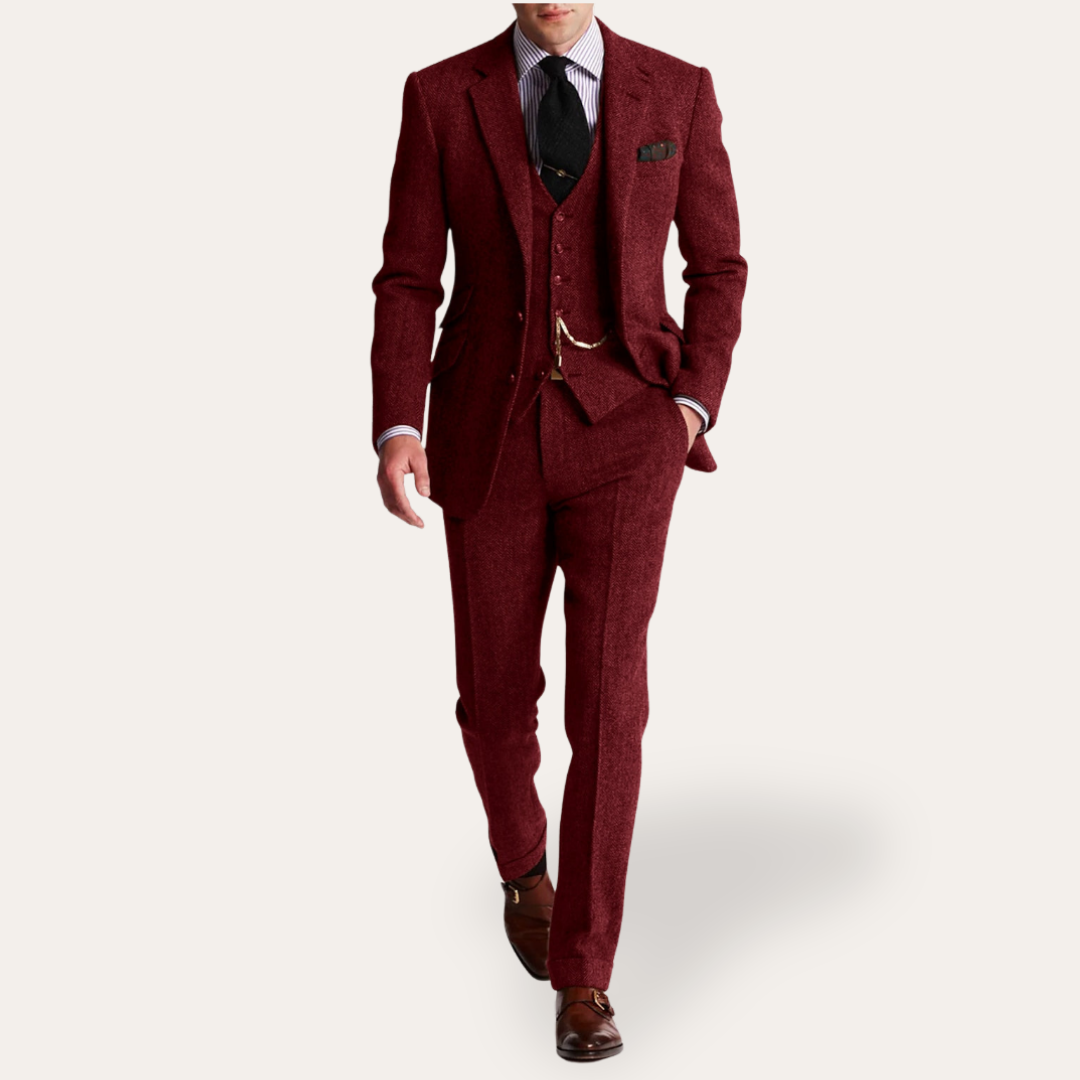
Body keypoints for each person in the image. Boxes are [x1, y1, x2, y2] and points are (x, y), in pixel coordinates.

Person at [370, 3, 747, 1061]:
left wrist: (690, 408)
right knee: (493, 699)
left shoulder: (677, 90)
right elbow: (409, 278)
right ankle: (522, 864)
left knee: (610, 705)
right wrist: (399, 423)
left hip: (629, 435)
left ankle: (586, 974)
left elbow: (719, 267)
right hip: (484, 435)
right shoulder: (439, 96)